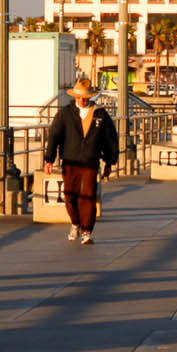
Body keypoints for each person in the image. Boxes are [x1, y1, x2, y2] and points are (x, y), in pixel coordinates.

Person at [40, 77, 119, 245]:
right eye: (79, 97)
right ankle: (75, 223)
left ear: (90, 97)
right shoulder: (65, 113)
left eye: (85, 97)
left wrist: (109, 162)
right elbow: (54, 136)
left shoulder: (100, 114)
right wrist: (49, 159)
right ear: (74, 96)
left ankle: (86, 230)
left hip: (90, 161)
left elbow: (110, 139)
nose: (81, 100)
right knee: (70, 196)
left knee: (88, 196)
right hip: (70, 160)